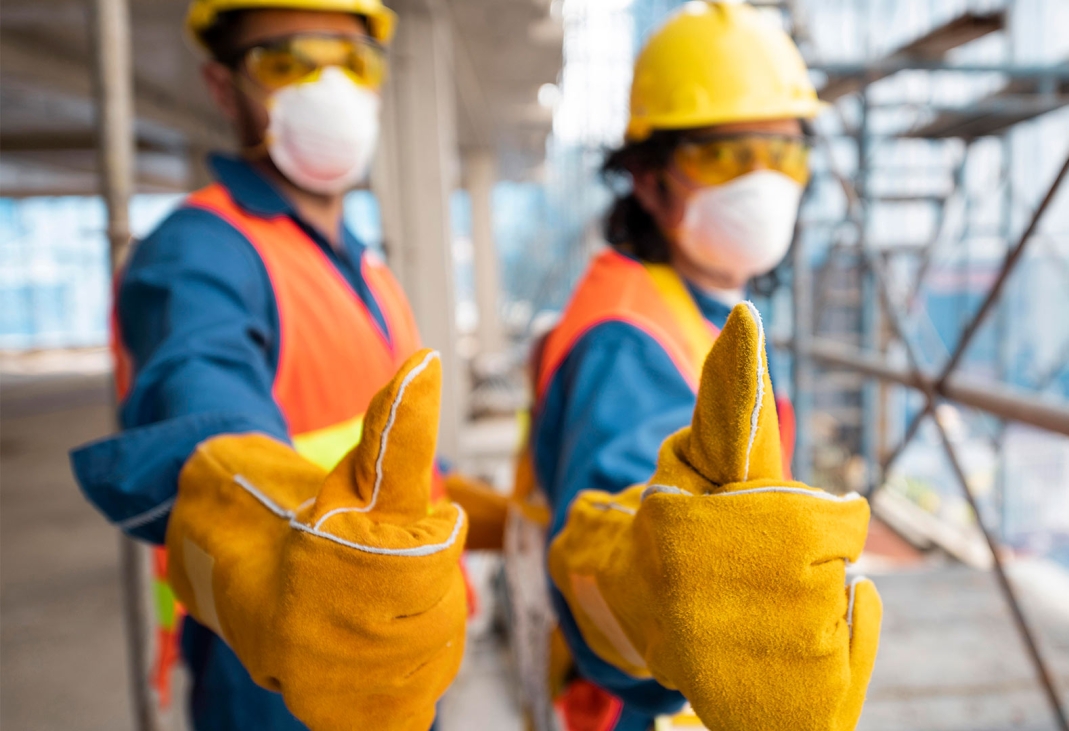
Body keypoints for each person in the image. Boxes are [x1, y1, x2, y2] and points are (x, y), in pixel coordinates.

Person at [69, 2, 496, 728]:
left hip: (398, 646)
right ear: (221, 85)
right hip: (277, 666)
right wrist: (278, 529)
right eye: (285, 61)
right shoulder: (204, 250)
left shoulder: (363, 263)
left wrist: (485, 514)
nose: (327, 86)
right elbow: (203, 413)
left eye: (351, 61)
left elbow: (372, 450)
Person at [527, 3, 884, 730]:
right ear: (649, 179)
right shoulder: (629, 335)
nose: (760, 180)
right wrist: (662, 584)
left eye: (783, 153)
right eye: (721, 155)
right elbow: (605, 533)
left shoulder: (706, 308)